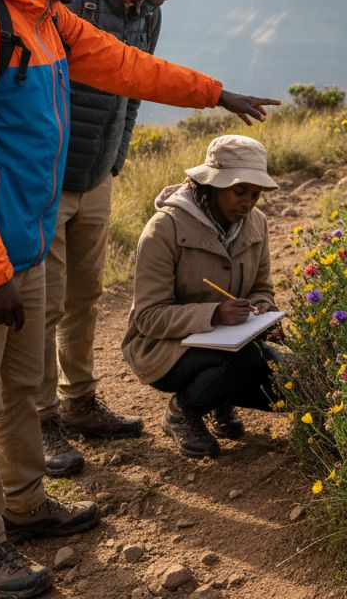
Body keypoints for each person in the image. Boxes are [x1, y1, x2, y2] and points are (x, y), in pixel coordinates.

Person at [0, 0, 277, 599]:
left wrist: (215, 93)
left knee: (20, 388)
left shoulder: (42, 16)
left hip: (21, 244)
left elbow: (126, 67)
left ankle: (27, 505)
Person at [37, 0, 194, 478]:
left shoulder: (146, 12)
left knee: (85, 294)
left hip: (96, 176)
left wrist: (115, 159)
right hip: (49, 182)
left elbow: (133, 89)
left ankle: (79, 402)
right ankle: (41, 419)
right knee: (44, 304)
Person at [121, 135, 282, 459]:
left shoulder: (257, 224)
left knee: (291, 384)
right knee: (244, 361)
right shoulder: (163, 229)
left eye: (255, 194)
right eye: (239, 191)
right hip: (161, 347)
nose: (248, 203)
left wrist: (264, 306)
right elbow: (148, 316)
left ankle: (218, 399)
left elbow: (262, 286)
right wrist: (215, 314)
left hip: (231, 341)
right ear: (211, 185)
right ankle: (182, 412)